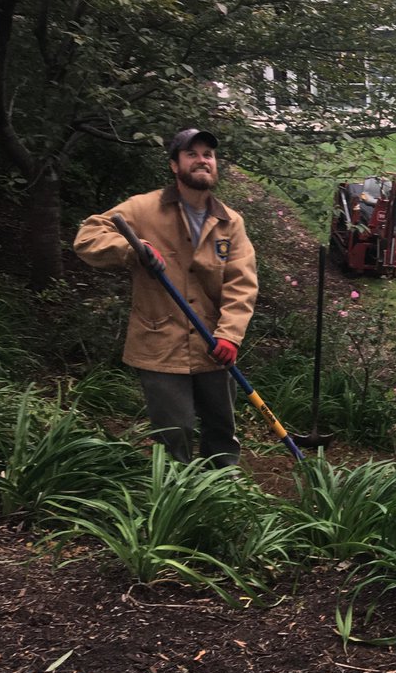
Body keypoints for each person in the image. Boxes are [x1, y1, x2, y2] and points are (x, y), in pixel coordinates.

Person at [73, 128, 258, 467]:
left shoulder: (230, 222)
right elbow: (87, 237)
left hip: (214, 345)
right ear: (175, 165)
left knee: (221, 426)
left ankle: (223, 493)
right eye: (192, 154)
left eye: (208, 154)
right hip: (160, 342)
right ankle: (175, 499)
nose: (202, 160)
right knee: (175, 430)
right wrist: (131, 249)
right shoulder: (143, 209)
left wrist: (230, 335)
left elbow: (241, 284)